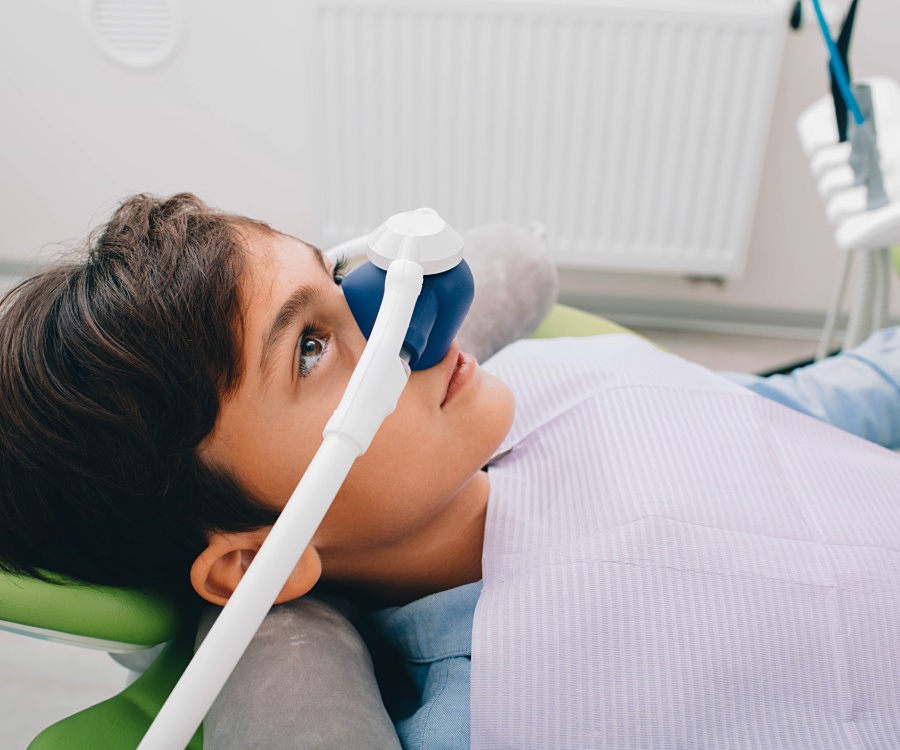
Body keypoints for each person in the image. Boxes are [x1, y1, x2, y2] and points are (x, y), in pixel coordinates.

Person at [1, 193, 898, 749]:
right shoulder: (491, 717)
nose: (412, 321)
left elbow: (817, 413)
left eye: (344, 279)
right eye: (312, 348)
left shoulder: (562, 379)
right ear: (251, 559)